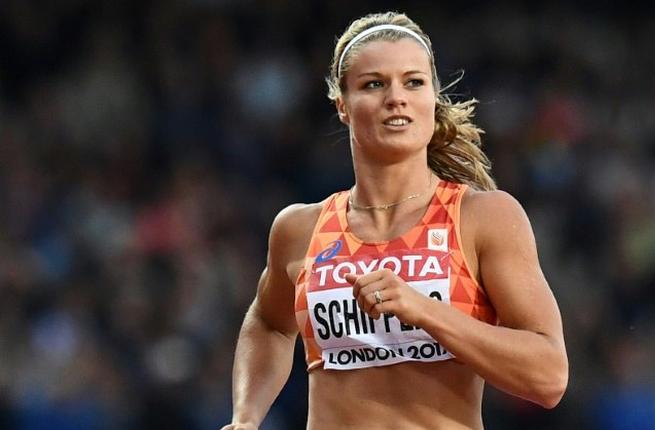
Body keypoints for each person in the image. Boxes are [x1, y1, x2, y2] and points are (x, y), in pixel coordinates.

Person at [222, 11, 568, 430]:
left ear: (433, 97)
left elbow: (549, 377)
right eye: (374, 84)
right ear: (342, 106)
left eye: (413, 82)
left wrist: (424, 310)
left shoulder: (482, 217)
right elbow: (269, 325)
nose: (396, 97)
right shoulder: (301, 230)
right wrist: (245, 417)